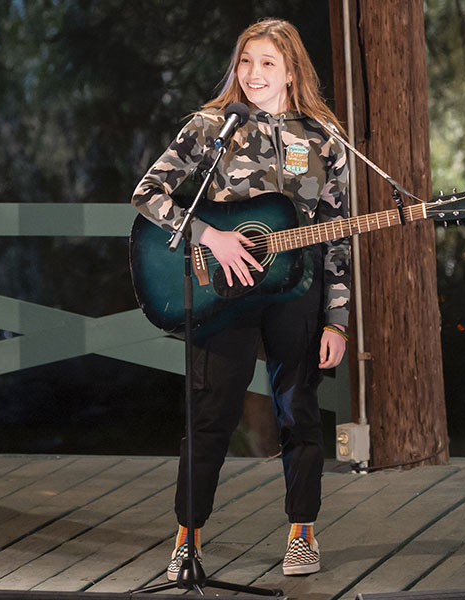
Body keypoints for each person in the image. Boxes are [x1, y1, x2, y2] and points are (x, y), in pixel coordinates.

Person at [130, 18, 350, 578]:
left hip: (296, 291)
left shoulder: (325, 136)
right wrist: (211, 236)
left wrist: (338, 320)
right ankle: (187, 540)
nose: (253, 73)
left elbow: (337, 232)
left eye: (267, 63)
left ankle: (302, 533)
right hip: (219, 293)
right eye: (246, 61)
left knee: (297, 410)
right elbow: (147, 193)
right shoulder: (211, 127)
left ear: (291, 70)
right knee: (209, 414)